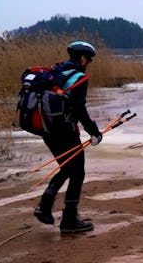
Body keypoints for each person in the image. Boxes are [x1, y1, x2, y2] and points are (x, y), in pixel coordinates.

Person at [33, 41, 103, 234]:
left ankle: (45, 206)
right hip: (65, 131)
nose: (88, 63)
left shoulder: (55, 72)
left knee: (66, 167)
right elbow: (79, 109)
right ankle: (69, 220)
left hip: (47, 129)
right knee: (77, 171)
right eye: (88, 60)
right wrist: (94, 132)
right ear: (82, 58)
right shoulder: (79, 77)